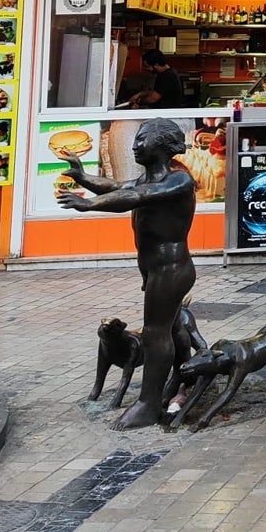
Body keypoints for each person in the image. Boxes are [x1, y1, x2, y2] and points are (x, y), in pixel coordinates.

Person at [57, 117, 197, 430]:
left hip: (172, 269)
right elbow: (118, 187)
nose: (134, 145)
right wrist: (84, 178)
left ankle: (148, 404)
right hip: (155, 269)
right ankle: (182, 381)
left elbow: (135, 198)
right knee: (172, 328)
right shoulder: (147, 178)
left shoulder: (178, 180)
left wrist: (89, 205)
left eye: (141, 139)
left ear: (161, 146)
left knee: (154, 333)